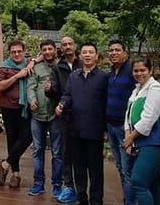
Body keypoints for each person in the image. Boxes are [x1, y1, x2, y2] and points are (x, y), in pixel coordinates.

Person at [56, 42, 109, 205]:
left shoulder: (104, 77)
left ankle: (96, 200)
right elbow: (67, 95)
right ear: (80, 56)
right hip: (75, 129)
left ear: (97, 57)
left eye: (91, 52)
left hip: (95, 130)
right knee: (78, 168)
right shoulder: (74, 76)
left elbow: (107, 102)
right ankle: (82, 198)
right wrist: (62, 104)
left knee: (95, 168)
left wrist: (105, 128)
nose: (87, 55)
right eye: (84, 52)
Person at [123, 57, 160, 205]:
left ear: (150, 70)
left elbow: (149, 118)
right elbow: (128, 116)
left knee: (139, 181)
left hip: (153, 142)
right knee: (153, 185)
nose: (139, 73)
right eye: (136, 70)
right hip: (139, 143)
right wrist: (127, 136)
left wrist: (130, 138)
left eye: (143, 70)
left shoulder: (156, 88)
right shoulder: (137, 90)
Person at [0, 39, 35, 188]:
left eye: (19, 51)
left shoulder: (30, 64)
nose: (17, 54)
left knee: (26, 137)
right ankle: (16, 175)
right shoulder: (4, 67)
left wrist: (32, 62)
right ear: (9, 53)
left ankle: (5, 164)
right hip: (8, 109)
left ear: (23, 52)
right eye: (13, 52)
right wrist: (17, 76)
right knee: (12, 140)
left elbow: (42, 56)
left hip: (25, 108)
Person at [46, 35, 80, 203]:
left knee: (81, 153)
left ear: (75, 46)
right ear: (61, 48)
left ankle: (82, 187)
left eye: (70, 44)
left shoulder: (84, 64)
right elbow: (54, 89)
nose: (67, 47)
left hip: (83, 115)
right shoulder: (58, 68)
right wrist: (49, 89)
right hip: (64, 115)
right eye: (64, 44)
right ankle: (68, 185)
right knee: (65, 151)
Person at [26, 39, 62, 198]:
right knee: (38, 149)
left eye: (50, 49)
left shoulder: (61, 67)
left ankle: (57, 184)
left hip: (55, 115)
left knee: (57, 152)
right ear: (41, 52)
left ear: (55, 50)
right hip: (37, 115)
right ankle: (38, 183)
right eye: (44, 50)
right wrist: (32, 100)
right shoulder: (36, 68)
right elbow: (31, 86)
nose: (48, 52)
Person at [105, 39, 135, 205]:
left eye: (117, 50)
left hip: (126, 129)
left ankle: (130, 201)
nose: (114, 53)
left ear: (125, 53)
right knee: (120, 167)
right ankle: (127, 199)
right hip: (111, 126)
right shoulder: (111, 73)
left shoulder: (132, 71)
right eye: (111, 50)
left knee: (127, 169)